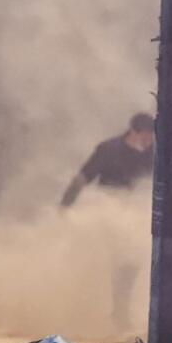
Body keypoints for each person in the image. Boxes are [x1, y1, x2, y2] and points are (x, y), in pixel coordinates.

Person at [60, 112, 155, 329]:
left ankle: (121, 310)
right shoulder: (108, 150)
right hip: (108, 211)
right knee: (117, 260)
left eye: (151, 137)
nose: (148, 141)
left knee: (130, 262)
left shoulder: (154, 154)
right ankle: (106, 311)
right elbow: (83, 176)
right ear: (133, 131)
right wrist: (66, 204)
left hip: (137, 212)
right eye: (145, 136)